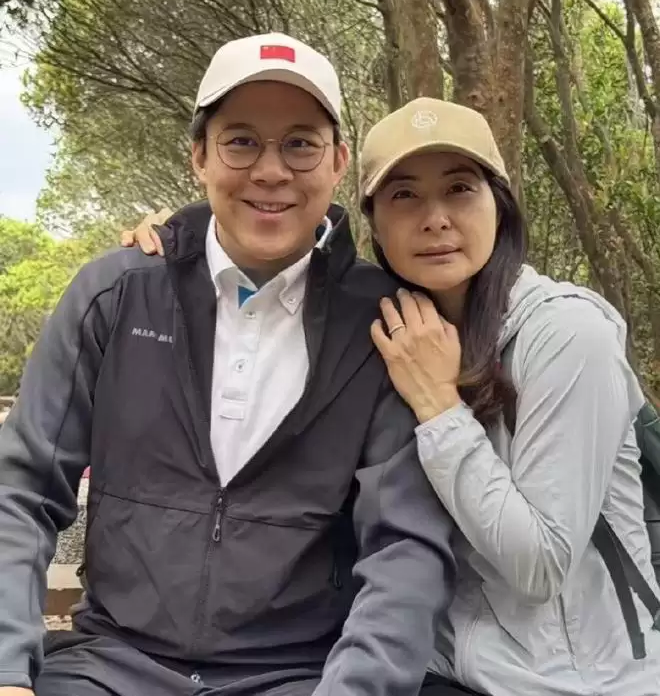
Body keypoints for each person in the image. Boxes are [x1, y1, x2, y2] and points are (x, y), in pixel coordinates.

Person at [127, 96, 660, 696]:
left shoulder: (567, 335)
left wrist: (440, 407)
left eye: (459, 189)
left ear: (500, 207)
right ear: (375, 223)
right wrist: (186, 243)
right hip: (434, 669)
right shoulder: (385, 329)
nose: (435, 219)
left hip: (576, 681)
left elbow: (539, 566)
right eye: (404, 195)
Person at [0, 35, 461, 696]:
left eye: (300, 144)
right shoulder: (116, 294)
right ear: (199, 157)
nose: (270, 171)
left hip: (299, 676)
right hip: (110, 668)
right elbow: (19, 489)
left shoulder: (386, 327)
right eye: (241, 142)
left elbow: (405, 546)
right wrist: (7, 668)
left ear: (338, 161)